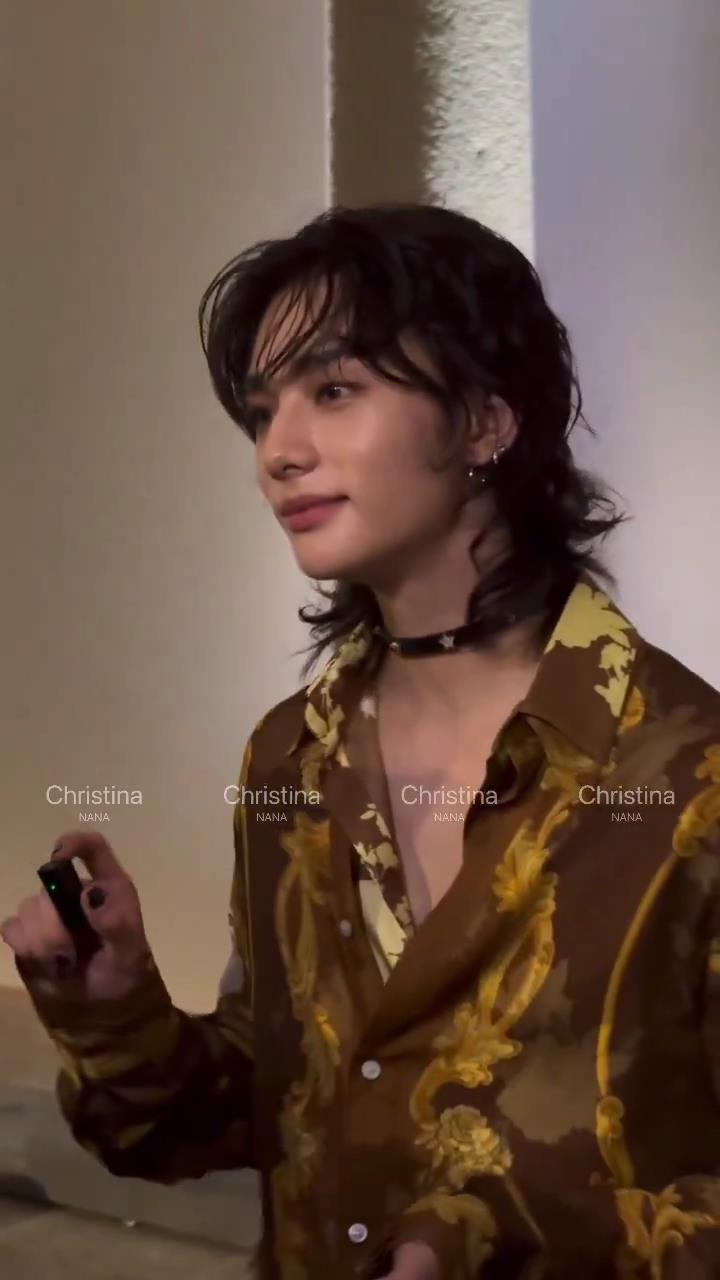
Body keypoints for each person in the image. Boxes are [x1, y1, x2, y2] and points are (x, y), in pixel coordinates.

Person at [2, 202, 719, 1279]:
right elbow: (275, 1108)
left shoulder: (686, 771)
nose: (278, 452)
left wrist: (482, 1240)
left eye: (334, 391)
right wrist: (117, 1015)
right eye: (262, 412)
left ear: (485, 420)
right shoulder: (291, 759)